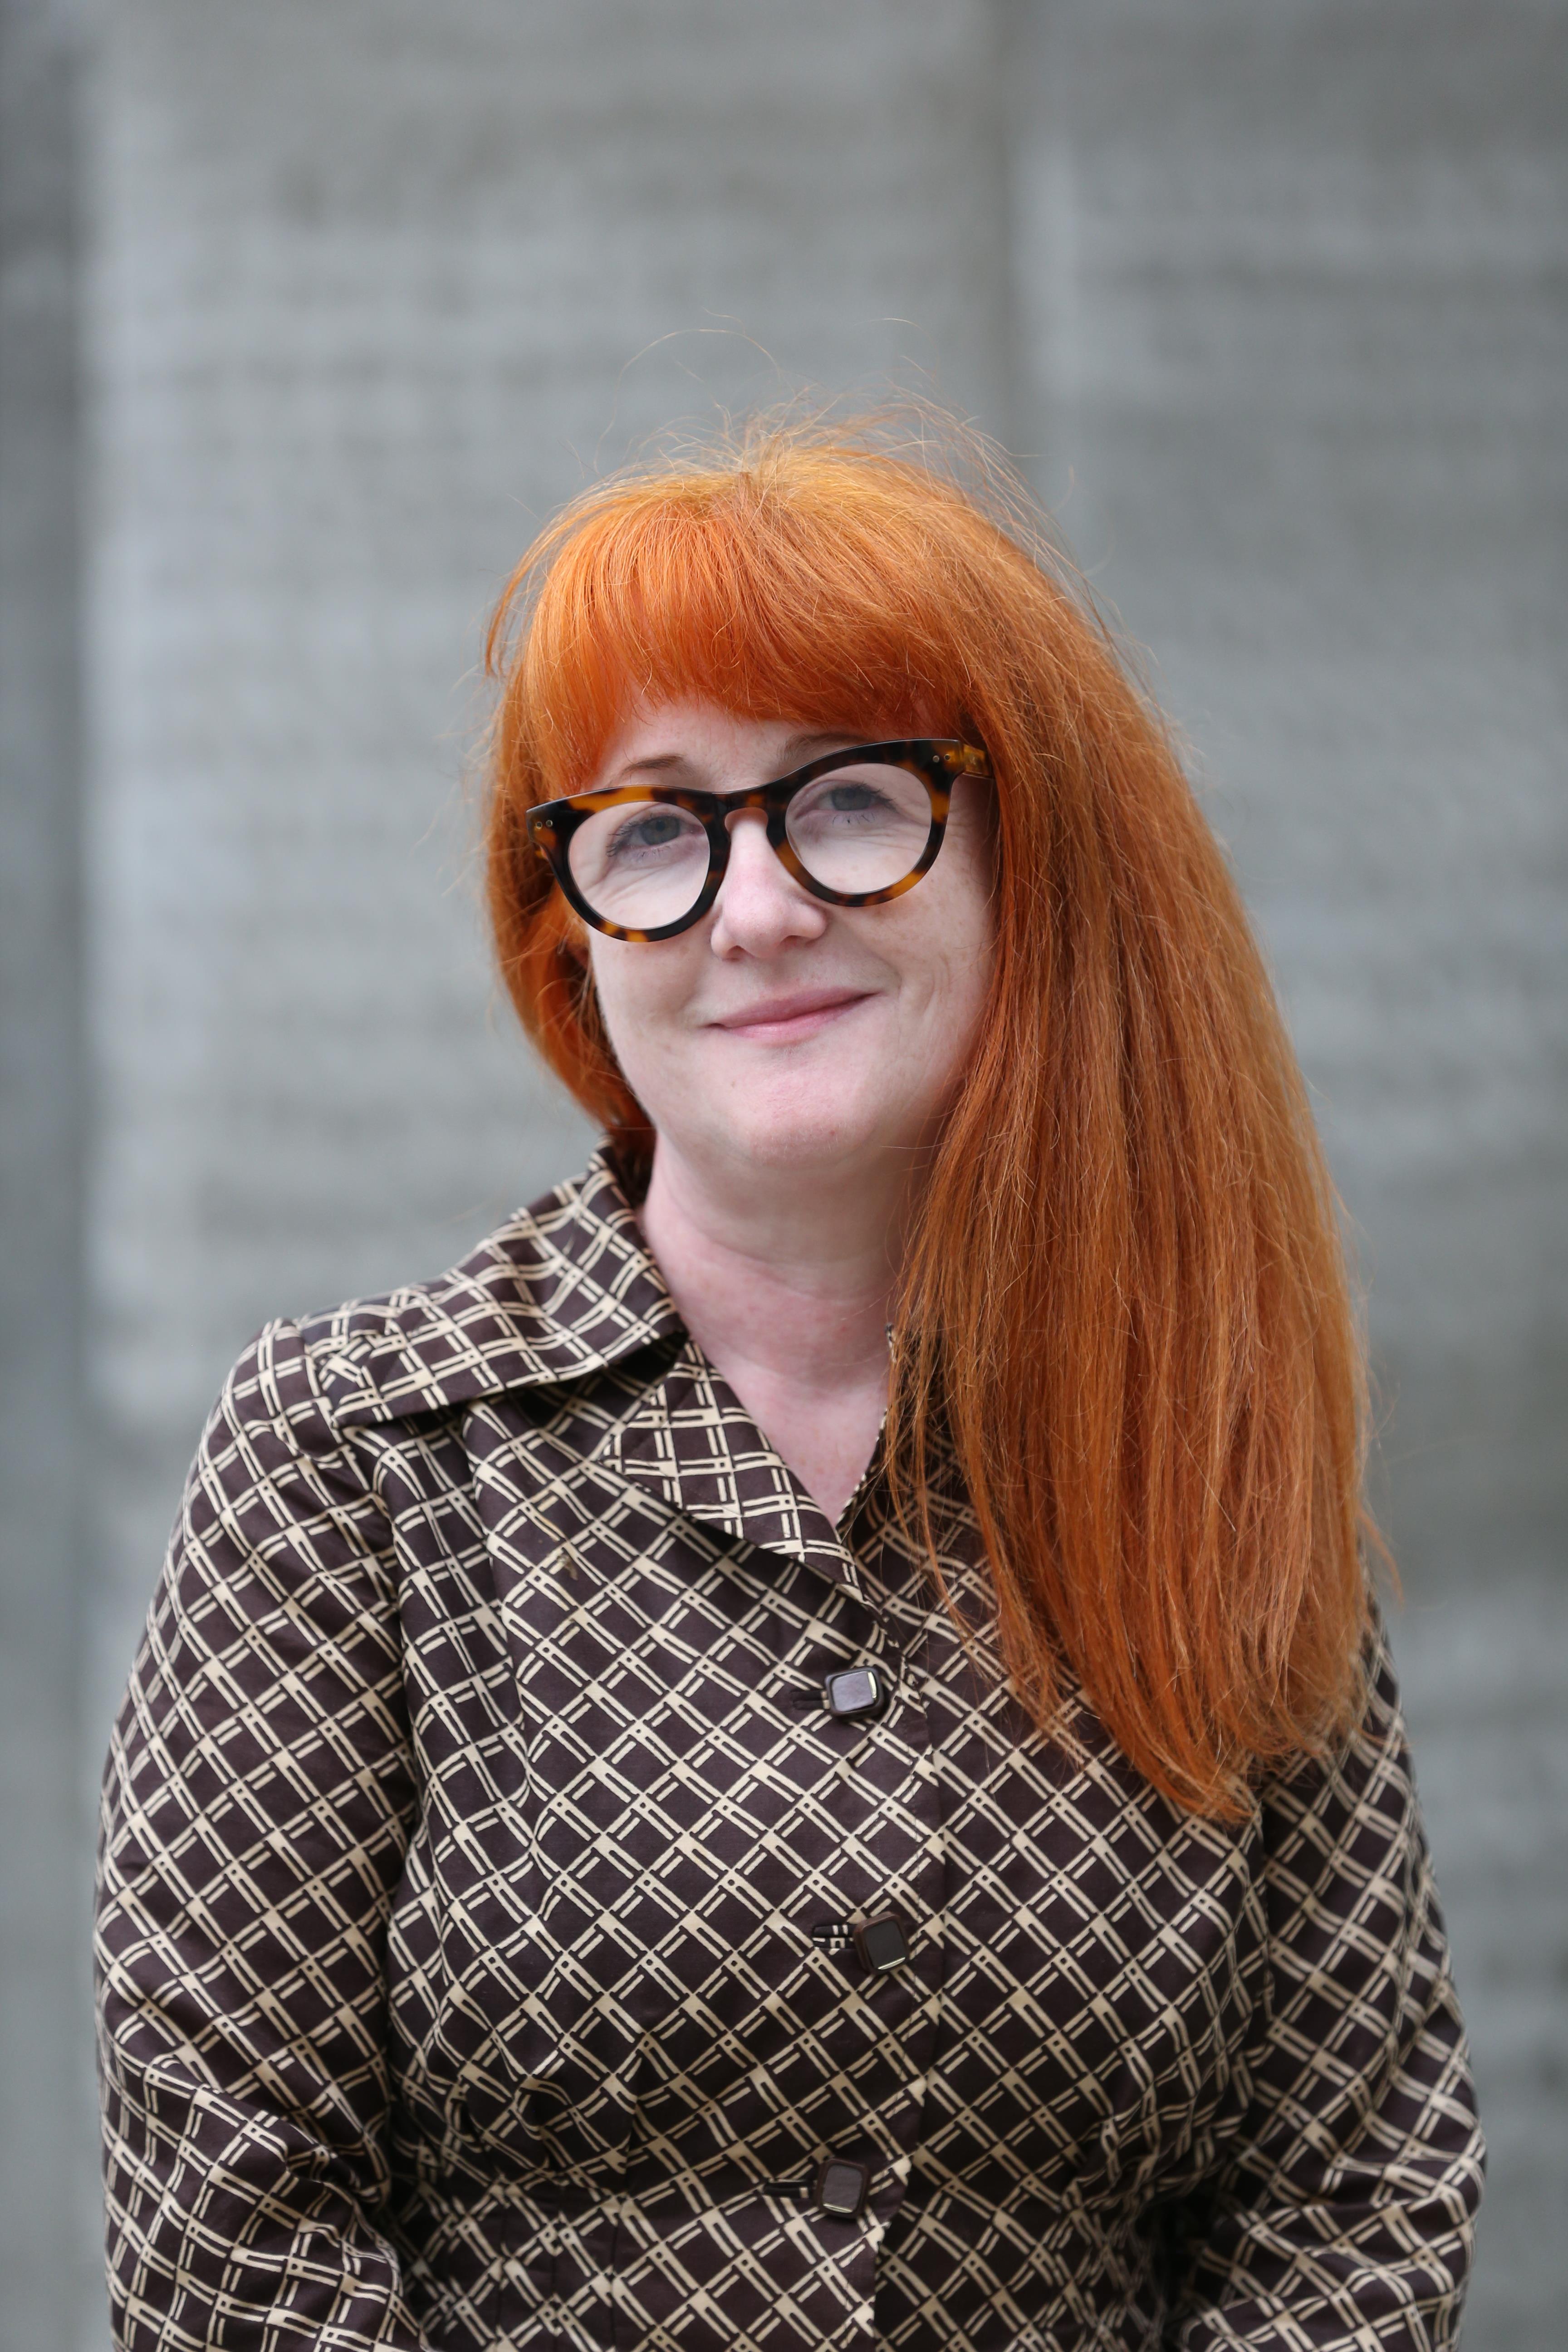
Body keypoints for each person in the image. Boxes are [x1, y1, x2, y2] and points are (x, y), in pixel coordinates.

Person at [95, 416, 1484, 2352]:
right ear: (569, 934)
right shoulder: (353, 1460)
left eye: (844, 799)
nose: (751, 911)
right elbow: (231, 2215)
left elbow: (1356, 2192)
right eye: (654, 830)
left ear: (1023, 854)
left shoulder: (1202, 1449)